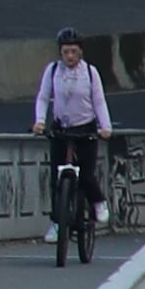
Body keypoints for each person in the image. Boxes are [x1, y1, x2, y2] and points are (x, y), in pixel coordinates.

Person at [31, 30, 112, 266]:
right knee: (57, 176)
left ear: (80, 52)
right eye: (65, 52)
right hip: (61, 129)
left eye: (73, 51)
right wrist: (40, 121)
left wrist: (105, 127)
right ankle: (58, 222)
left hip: (85, 129)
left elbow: (99, 101)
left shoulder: (90, 72)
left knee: (86, 175)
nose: (69, 56)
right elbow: (43, 97)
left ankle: (97, 202)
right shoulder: (53, 71)